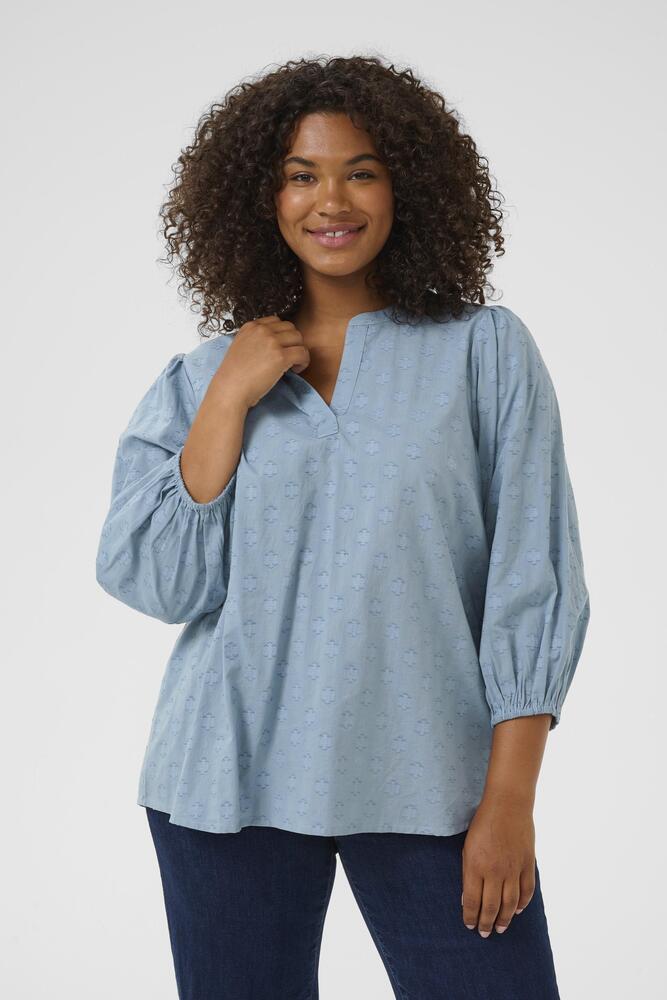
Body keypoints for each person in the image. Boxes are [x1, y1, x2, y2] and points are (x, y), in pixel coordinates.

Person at [95, 54, 590, 999]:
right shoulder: (204, 377)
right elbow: (156, 581)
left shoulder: (482, 351)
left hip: (434, 783)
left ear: (408, 186)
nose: (331, 200)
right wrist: (228, 401)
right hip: (226, 783)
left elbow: (534, 579)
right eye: (300, 174)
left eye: (361, 171)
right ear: (262, 198)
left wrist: (509, 800)